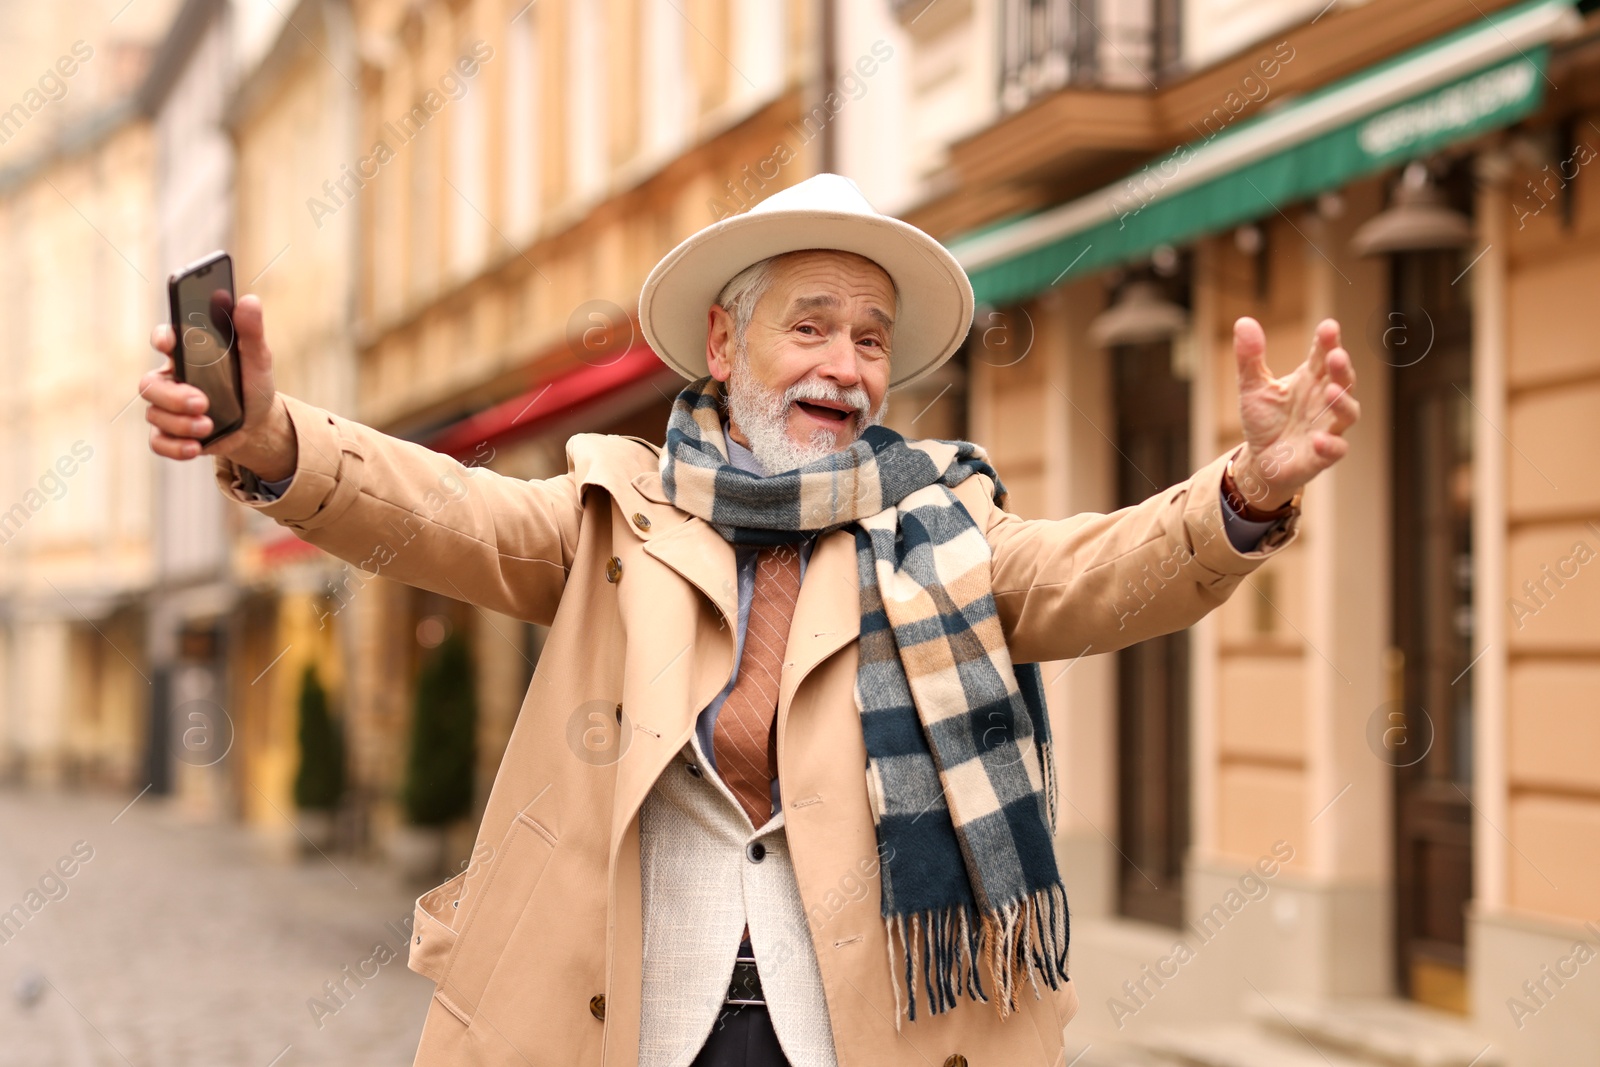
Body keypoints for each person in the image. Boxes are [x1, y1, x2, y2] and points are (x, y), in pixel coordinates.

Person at [140, 174, 1358, 1067]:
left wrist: (1242, 492)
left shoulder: (940, 526)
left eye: (870, 338)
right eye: (811, 324)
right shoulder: (611, 512)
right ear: (725, 344)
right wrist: (271, 440)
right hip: (629, 1013)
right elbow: (439, 508)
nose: (845, 363)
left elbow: (1101, 572)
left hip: (855, 1021)